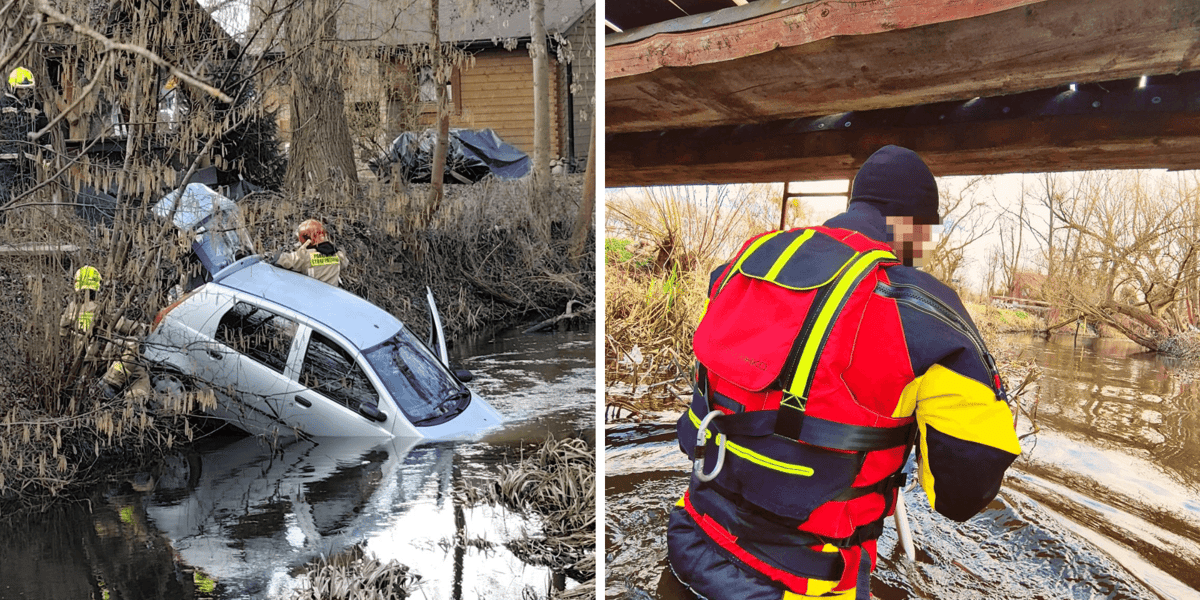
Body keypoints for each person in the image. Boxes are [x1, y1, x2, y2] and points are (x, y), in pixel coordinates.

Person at [666, 145, 1021, 599]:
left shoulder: (743, 265)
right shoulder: (924, 312)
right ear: (913, 225)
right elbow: (963, 491)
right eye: (928, 233)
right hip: (801, 585)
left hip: (690, 545)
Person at [60, 265, 150, 399]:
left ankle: (133, 397)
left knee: (137, 369)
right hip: (98, 355)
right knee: (132, 346)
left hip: (77, 357)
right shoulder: (99, 309)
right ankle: (112, 383)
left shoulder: (70, 309)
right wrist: (142, 327)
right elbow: (125, 326)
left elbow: (62, 335)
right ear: (96, 287)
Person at [274, 218, 346, 287]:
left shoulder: (305, 256)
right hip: (331, 296)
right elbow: (344, 264)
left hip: (312, 296)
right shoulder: (338, 255)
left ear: (307, 238)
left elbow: (282, 260)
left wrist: (275, 254)